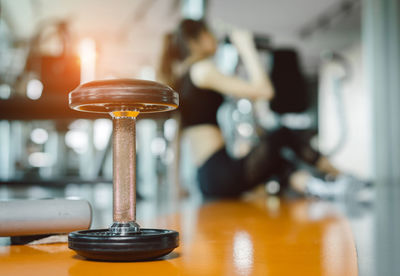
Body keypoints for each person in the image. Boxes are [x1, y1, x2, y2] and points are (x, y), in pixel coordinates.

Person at [158, 19, 343, 198]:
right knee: (283, 134)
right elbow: (265, 91)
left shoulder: (182, 80)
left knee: (280, 163)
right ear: (195, 40)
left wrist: (176, 185)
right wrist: (247, 48)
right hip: (219, 173)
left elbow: (177, 137)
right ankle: (341, 177)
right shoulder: (201, 70)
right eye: (210, 33)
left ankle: (325, 189)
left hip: (206, 177)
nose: (215, 38)